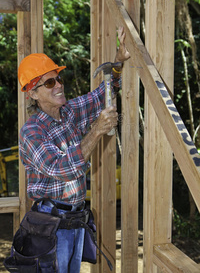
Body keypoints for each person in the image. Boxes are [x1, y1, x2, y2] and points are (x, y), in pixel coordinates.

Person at [18, 26, 130, 273]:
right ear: (33, 93)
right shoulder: (32, 131)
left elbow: (105, 92)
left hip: (75, 219)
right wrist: (97, 130)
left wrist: (119, 62)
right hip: (50, 224)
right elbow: (61, 169)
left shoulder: (70, 112)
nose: (58, 85)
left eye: (58, 78)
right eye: (49, 82)